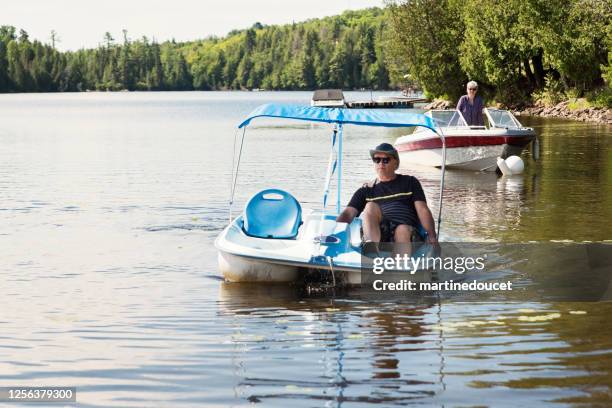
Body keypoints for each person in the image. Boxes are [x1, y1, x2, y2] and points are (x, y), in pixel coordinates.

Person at [336, 143, 438, 245]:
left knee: (401, 230)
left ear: (395, 163)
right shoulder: (366, 190)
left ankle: (400, 260)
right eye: (377, 160)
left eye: (385, 160)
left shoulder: (410, 182)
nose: (381, 163)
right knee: (370, 206)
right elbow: (348, 213)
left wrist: (432, 237)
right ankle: (372, 249)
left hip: (407, 232)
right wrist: (334, 232)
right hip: (381, 234)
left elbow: (422, 209)